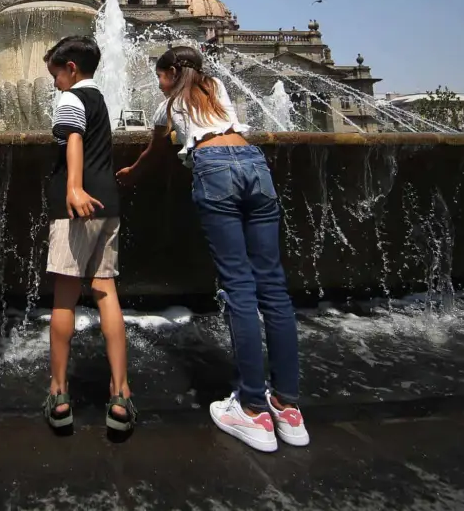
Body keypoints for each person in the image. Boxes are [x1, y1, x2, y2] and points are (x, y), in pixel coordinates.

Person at [118, 45, 308, 453]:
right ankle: (288, 407)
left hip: (215, 170)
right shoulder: (217, 86)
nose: (157, 82)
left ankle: (253, 410)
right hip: (253, 164)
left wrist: (133, 173)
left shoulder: (167, 106)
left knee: (239, 288)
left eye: (159, 75)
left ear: (170, 73)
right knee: (273, 288)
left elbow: (156, 151)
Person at [41, 35, 134, 432]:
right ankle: (121, 393)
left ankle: (59, 391)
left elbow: (73, 140)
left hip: (77, 207)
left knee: (65, 297)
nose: (55, 83)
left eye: (56, 74)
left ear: (71, 69)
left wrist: (73, 188)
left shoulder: (71, 98)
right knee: (105, 292)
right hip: (108, 204)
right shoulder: (101, 100)